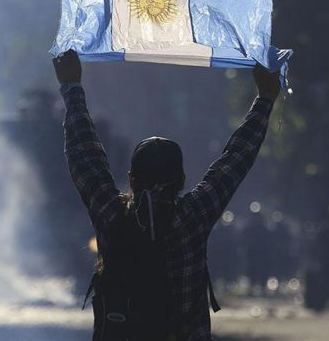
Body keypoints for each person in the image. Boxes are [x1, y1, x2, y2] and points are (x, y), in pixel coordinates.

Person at [54, 50, 280, 341]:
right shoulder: (192, 218)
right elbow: (234, 161)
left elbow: (84, 156)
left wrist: (71, 87)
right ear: (182, 180)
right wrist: (265, 98)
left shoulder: (112, 215)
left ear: (131, 180)